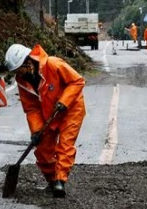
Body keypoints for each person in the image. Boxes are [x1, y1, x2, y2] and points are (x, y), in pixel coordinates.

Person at [5, 43, 86, 198]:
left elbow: (77, 81)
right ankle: (52, 180)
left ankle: (60, 181)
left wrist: (64, 101)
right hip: (49, 113)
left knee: (65, 144)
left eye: (17, 70)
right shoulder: (23, 81)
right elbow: (31, 108)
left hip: (71, 109)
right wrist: (36, 131)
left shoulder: (53, 64)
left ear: (27, 63)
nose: (17, 74)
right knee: (42, 149)